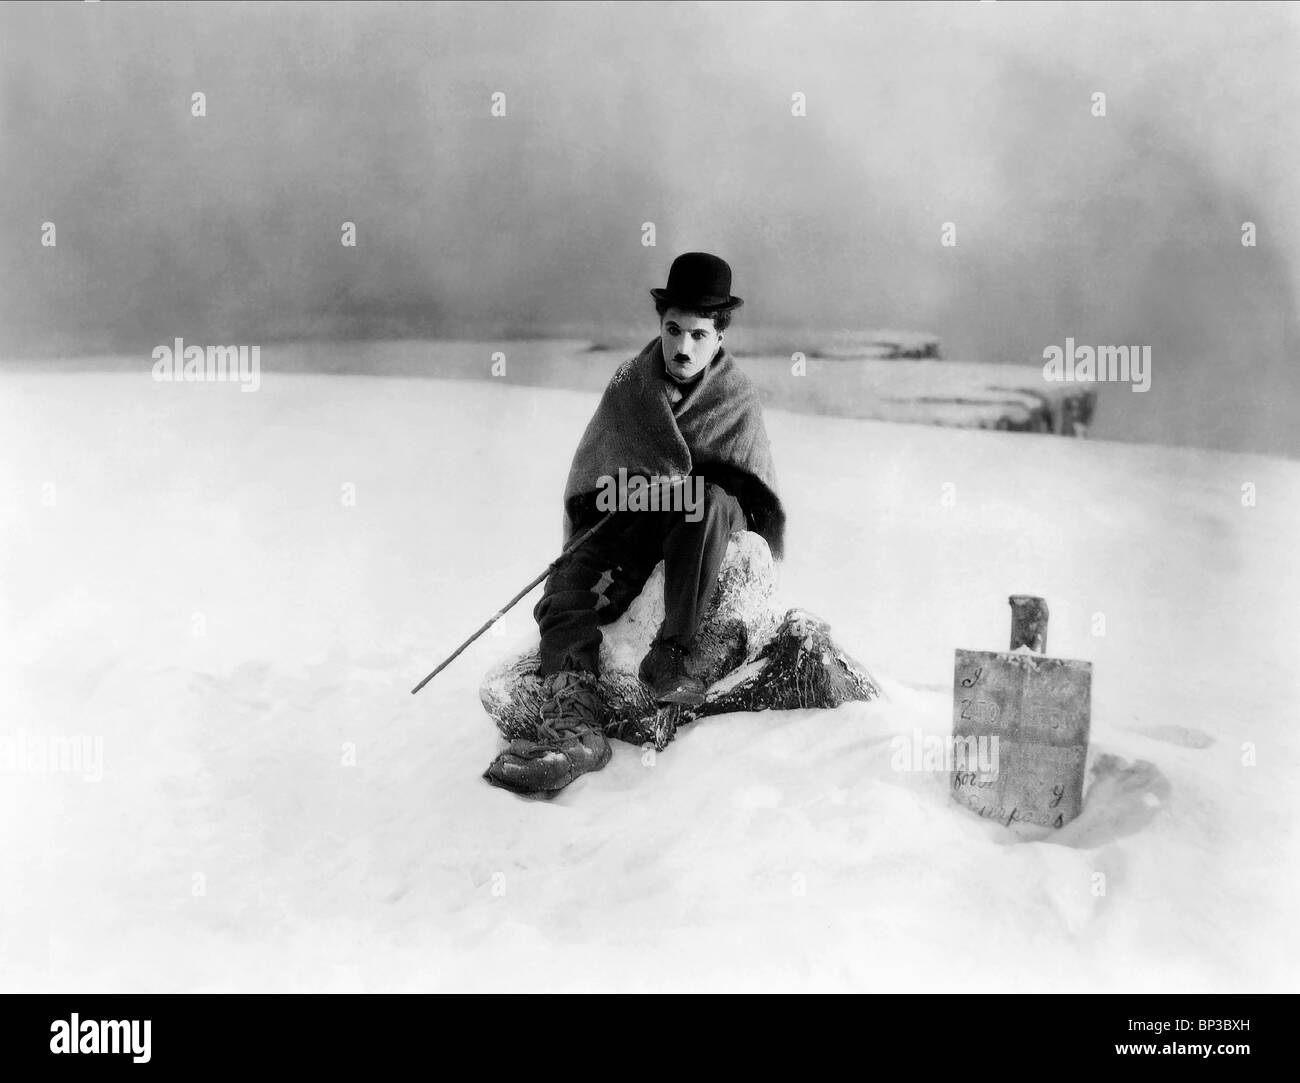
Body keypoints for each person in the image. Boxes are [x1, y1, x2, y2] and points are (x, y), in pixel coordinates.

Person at [484, 252, 784, 796]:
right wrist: (626, 491)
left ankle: (671, 653)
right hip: (634, 516)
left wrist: (682, 486)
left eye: (698, 333)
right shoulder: (631, 384)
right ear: (661, 324)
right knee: (569, 581)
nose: (682, 347)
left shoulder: (735, 395)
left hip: (702, 520)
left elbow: (745, 490)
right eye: (673, 329)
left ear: (720, 335)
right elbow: (597, 476)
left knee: (707, 501)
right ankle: (574, 723)